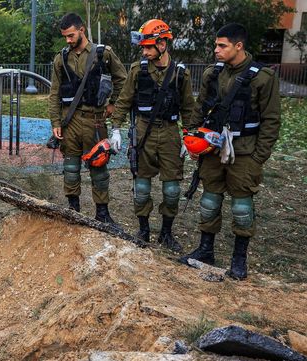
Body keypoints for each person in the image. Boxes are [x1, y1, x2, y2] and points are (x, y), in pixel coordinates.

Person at [178, 23, 280, 280]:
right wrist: (190, 136)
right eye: (216, 45)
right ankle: (205, 250)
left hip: (244, 152)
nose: (216, 50)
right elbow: (200, 107)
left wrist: (259, 158)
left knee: (242, 207)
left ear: (239, 46)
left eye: (221, 45)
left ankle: (239, 258)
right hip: (212, 149)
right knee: (209, 200)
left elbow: (271, 121)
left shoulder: (263, 77)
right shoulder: (213, 74)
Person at [110, 19, 195, 251]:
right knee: (142, 188)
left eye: (149, 47)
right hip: (143, 131)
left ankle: (166, 233)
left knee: (171, 190)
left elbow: (189, 108)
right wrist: (115, 128)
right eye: (143, 47)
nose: (145, 51)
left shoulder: (180, 74)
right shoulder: (138, 70)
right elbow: (124, 100)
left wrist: (189, 136)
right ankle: (144, 230)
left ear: (163, 44)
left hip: (169, 133)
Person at [49, 12, 127, 223]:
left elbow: (123, 81)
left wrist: (114, 103)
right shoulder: (61, 58)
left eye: (71, 35)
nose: (68, 40)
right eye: (65, 36)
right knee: (71, 168)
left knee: (99, 167)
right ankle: (73, 211)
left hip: (95, 120)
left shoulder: (103, 54)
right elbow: (54, 93)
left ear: (82, 30)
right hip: (70, 121)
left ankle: (102, 213)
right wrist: (55, 122)